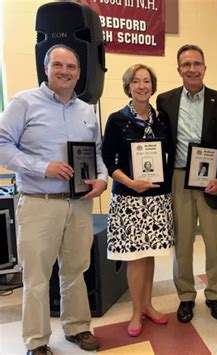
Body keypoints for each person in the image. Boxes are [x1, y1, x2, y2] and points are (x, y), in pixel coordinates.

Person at [0, 44, 107, 355]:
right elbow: (2, 145)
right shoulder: (24, 103)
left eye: (71, 67)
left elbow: (97, 152)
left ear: (79, 72)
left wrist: (101, 179)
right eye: (58, 65)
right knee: (36, 277)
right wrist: (42, 167)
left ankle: (77, 327)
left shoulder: (87, 110)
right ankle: (36, 341)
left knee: (75, 268)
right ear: (46, 68)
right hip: (39, 201)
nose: (65, 71)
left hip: (79, 204)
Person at [156, 44, 217, 323]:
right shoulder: (164, 101)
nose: (192, 69)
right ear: (179, 69)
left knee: (216, 243)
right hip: (179, 178)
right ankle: (186, 296)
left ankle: (214, 294)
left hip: (211, 180)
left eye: (197, 63)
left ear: (204, 67)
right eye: (186, 64)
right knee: (183, 242)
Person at [102, 64, 175, 337]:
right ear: (128, 86)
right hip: (130, 199)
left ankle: (148, 305)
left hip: (157, 198)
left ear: (152, 86)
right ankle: (135, 312)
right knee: (135, 257)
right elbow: (108, 161)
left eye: (146, 81)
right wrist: (131, 182)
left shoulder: (161, 120)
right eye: (136, 81)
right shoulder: (117, 119)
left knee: (150, 254)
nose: (142, 86)